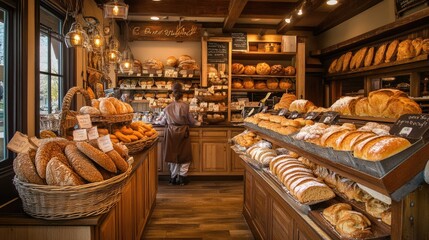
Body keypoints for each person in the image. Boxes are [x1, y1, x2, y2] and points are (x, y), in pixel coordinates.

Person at [157, 83, 200, 185]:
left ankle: (173, 177)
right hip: (183, 133)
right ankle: (182, 178)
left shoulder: (167, 108)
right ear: (182, 95)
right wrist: (199, 122)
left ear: (173, 95)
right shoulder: (186, 106)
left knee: (172, 156)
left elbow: (162, 122)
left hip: (171, 133)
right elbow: (192, 121)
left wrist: (157, 121)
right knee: (185, 155)